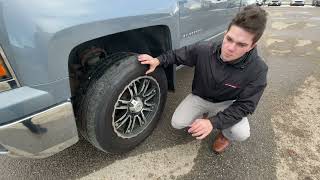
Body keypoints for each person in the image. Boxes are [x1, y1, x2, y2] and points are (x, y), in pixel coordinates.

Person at [138, 5, 268, 153]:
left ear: (252, 46)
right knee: (177, 123)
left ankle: (224, 135)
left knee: (241, 133)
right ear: (225, 34)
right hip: (200, 97)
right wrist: (158, 60)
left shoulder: (258, 70)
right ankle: (203, 115)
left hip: (226, 103)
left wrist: (213, 123)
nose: (230, 48)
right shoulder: (204, 50)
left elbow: (245, 106)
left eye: (241, 44)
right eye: (229, 39)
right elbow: (177, 55)